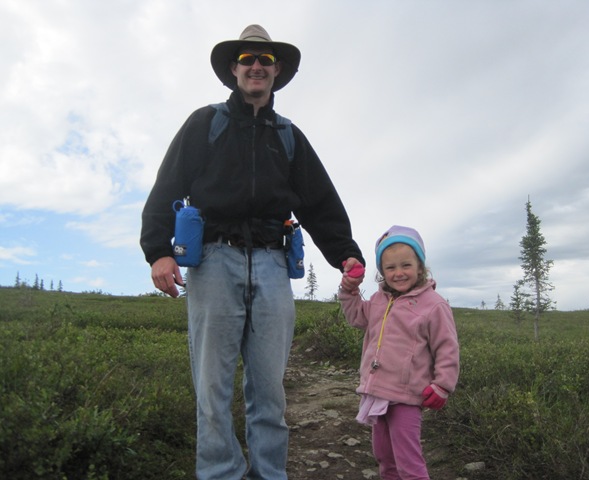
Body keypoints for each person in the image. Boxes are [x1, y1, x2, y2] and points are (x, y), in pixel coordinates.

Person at [140, 25, 365, 480]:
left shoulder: (289, 135)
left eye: (265, 59)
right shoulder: (205, 123)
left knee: (270, 388)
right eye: (247, 58)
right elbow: (168, 186)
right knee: (213, 386)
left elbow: (319, 202)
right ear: (234, 69)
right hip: (213, 261)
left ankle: (269, 472)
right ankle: (221, 472)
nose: (256, 66)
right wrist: (158, 251)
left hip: (272, 263)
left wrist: (345, 252)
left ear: (277, 70)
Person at [338, 225, 459, 480]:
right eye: (390, 267)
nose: (399, 273)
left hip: (406, 397)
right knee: (384, 456)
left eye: (406, 265)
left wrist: (442, 385)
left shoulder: (434, 305)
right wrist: (349, 290)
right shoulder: (378, 300)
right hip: (378, 393)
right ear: (382, 272)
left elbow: (447, 347)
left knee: (408, 462)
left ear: (420, 267)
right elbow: (356, 316)